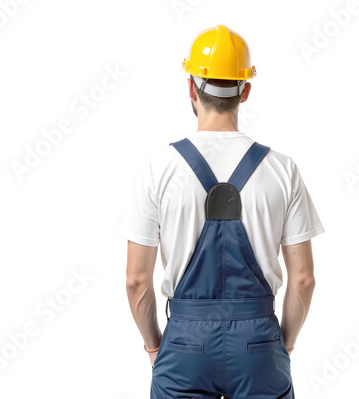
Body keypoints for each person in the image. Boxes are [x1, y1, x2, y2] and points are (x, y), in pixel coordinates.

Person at [126, 24, 325, 399]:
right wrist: (282, 345)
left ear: (190, 88)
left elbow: (136, 281)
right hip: (259, 345)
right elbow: (304, 280)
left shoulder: (157, 168)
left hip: (184, 347)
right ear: (245, 90)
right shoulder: (282, 169)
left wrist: (156, 348)